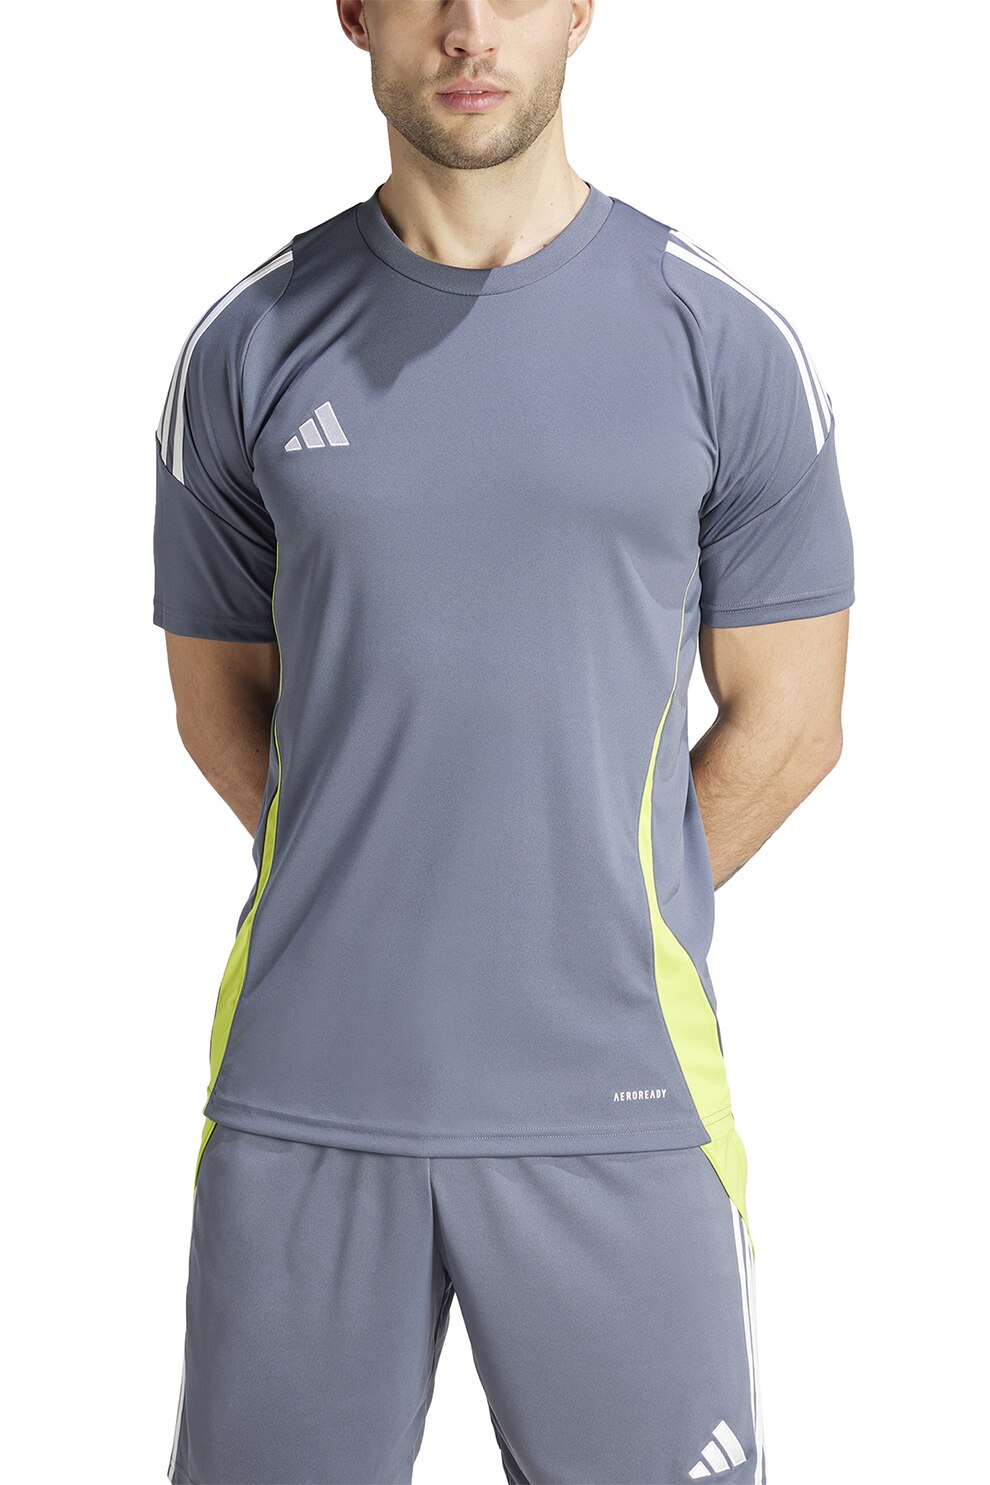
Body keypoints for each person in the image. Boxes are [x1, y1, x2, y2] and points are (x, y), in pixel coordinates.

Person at [153, 2, 854, 1481]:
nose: (469, 29)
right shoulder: (250, 343)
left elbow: (792, 725)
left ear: (582, 10)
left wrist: (591, 898)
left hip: (620, 1096)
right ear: (354, 13)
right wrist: (387, 880)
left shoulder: (719, 341)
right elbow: (218, 697)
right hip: (308, 1093)